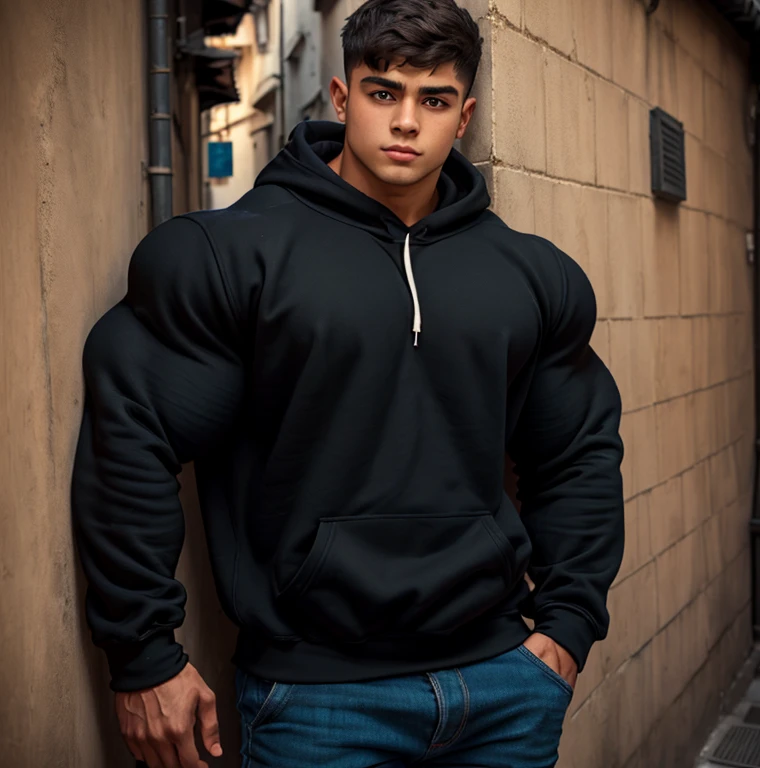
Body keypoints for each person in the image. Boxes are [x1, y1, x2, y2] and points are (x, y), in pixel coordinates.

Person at [72, 0, 624, 766]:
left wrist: (564, 630)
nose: (406, 121)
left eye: (433, 101)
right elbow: (129, 431)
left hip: (504, 689)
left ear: (462, 118)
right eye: (383, 92)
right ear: (340, 98)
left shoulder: (527, 275)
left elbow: (579, 453)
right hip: (317, 702)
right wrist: (142, 654)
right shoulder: (232, 256)